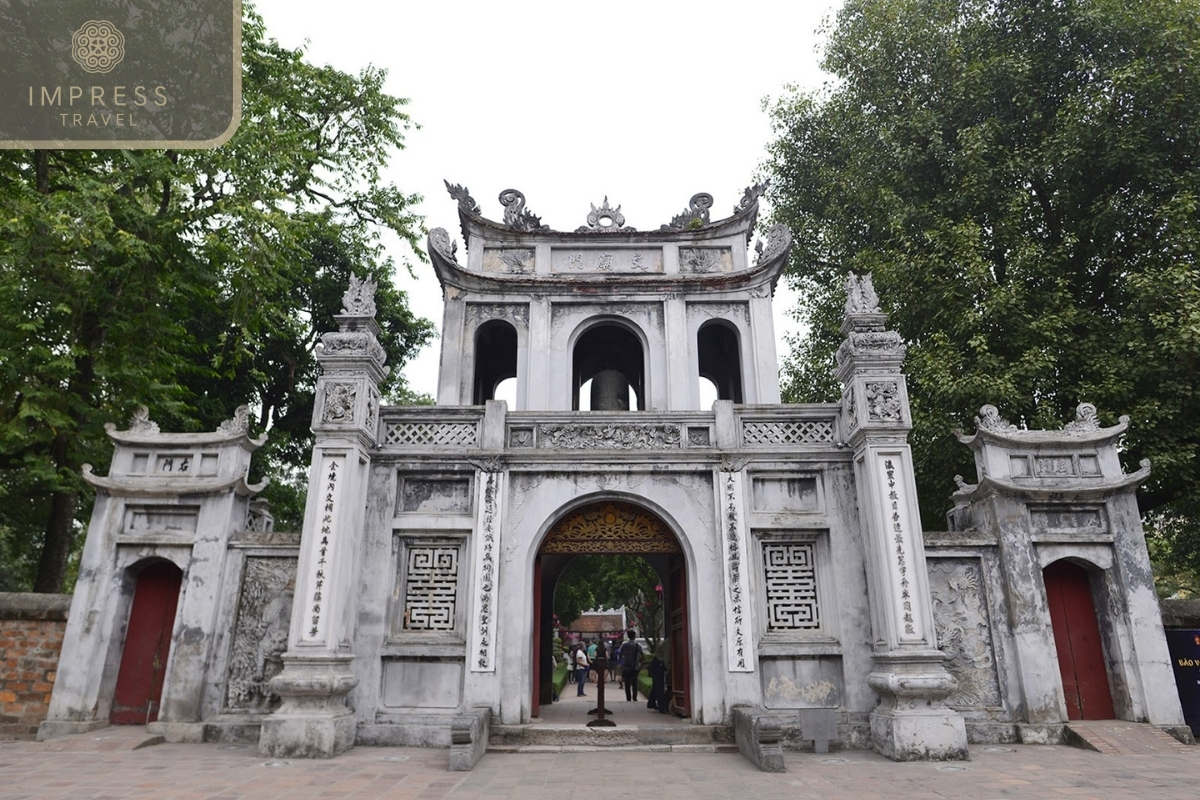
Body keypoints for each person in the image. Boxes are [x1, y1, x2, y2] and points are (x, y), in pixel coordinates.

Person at [618, 629, 643, 702]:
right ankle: (634, 697)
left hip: (626, 667)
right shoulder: (638, 645)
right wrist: (640, 665)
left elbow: (620, 655)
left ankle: (628, 698)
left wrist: (625, 658)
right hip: (635, 667)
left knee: (627, 683)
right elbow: (643, 656)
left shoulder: (624, 644)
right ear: (635, 636)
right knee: (635, 683)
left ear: (628, 636)